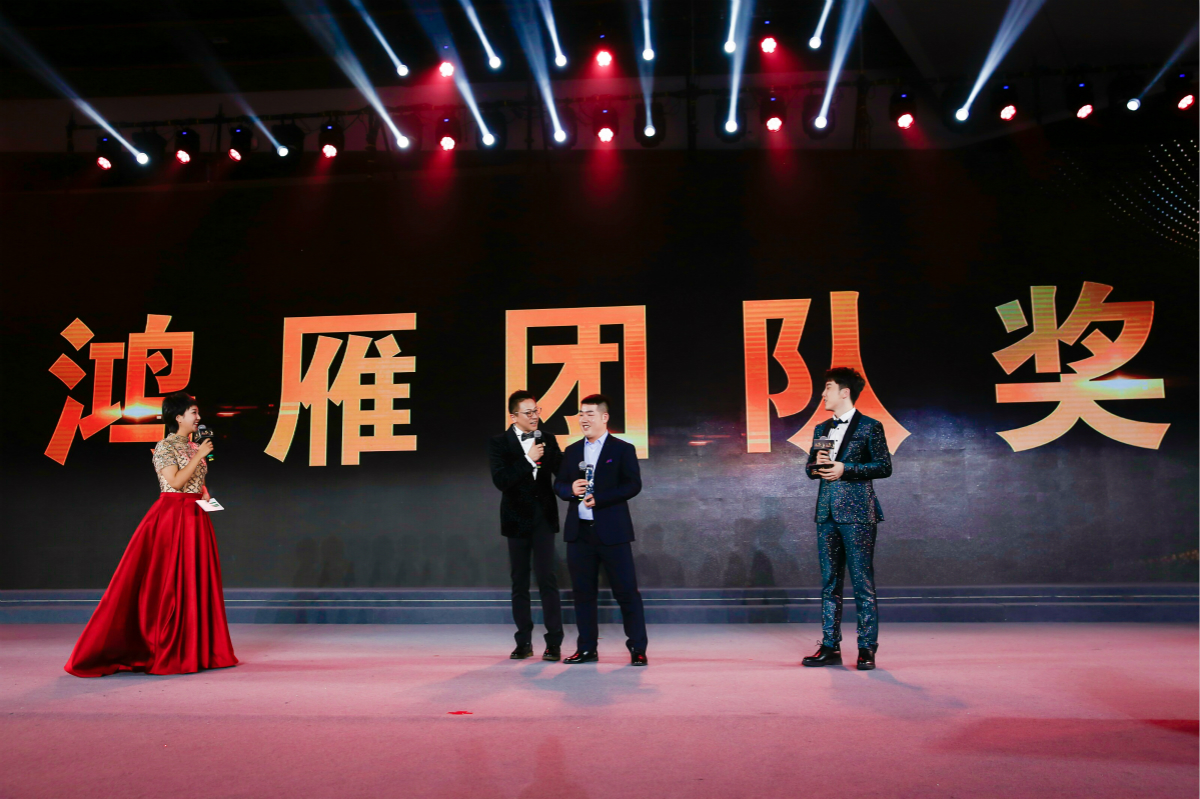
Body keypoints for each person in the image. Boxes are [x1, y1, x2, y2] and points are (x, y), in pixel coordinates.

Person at [64, 392, 238, 677]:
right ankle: (166, 648)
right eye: (194, 412)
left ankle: (198, 649)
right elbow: (176, 482)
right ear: (178, 417)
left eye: (198, 412)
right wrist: (200, 456)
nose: (199, 417)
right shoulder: (164, 447)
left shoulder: (195, 446)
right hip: (173, 517)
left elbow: (198, 482)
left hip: (196, 518)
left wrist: (208, 498)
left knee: (195, 582)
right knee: (170, 584)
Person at [802, 367, 892, 671]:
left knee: (862, 583)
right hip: (826, 512)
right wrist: (817, 466)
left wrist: (846, 468)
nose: (823, 394)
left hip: (857, 513)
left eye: (828, 387)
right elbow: (810, 469)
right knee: (830, 583)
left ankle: (867, 648)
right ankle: (830, 646)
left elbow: (884, 466)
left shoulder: (870, 426)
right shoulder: (821, 428)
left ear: (845, 392)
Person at [554, 394, 648, 666]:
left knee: (626, 592)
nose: (584, 419)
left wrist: (601, 499)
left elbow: (633, 485)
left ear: (604, 417)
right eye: (581, 414)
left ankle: (638, 648)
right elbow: (559, 484)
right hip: (579, 533)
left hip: (613, 533)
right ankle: (586, 648)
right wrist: (570, 490)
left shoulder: (622, 449)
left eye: (590, 414)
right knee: (583, 594)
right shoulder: (572, 451)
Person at [488, 390, 565, 661]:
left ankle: (554, 642)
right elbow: (501, 481)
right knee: (519, 582)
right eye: (528, 412)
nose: (534, 417)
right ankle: (523, 642)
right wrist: (528, 459)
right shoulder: (499, 443)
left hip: (543, 519)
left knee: (547, 580)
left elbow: (562, 471)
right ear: (514, 416)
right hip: (516, 520)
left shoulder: (548, 439)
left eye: (536, 411)